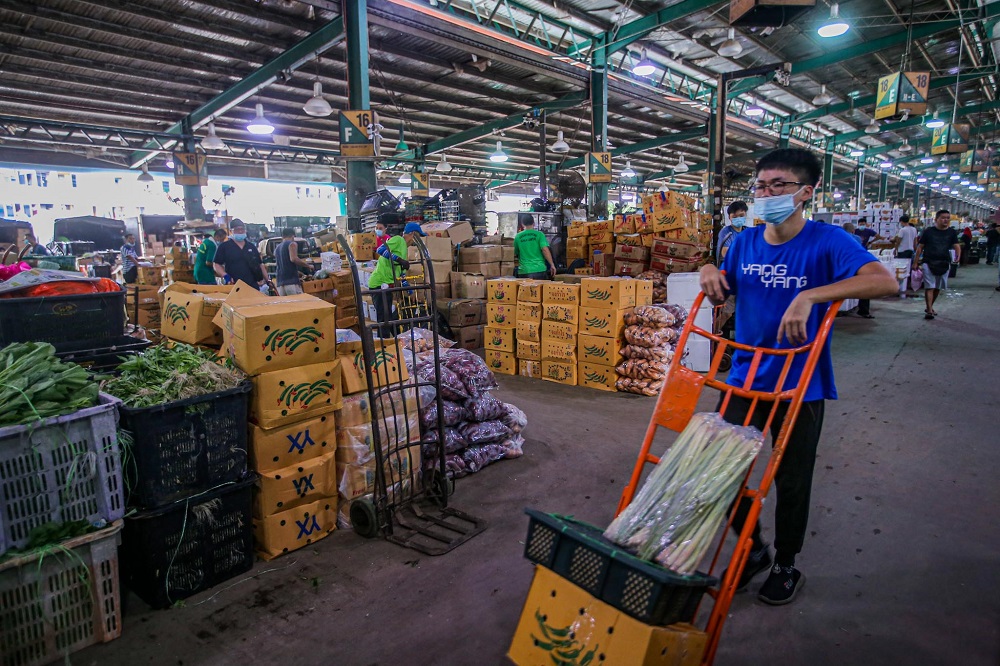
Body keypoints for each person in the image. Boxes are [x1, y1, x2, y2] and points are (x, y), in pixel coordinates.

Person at [699, 148, 897, 605]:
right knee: (718, 472)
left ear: (806, 193)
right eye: (760, 186)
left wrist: (812, 296)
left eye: (778, 186)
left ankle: (787, 562)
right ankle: (752, 548)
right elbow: (721, 291)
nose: (765, 194)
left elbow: (883, 280)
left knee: (792, 479)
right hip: (745, 379)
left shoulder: (828, 241)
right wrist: (709, 270)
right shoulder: (744, 243)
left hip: (801, 384)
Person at [368, 222, 424, 337]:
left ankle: (394, 342)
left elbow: (401, 276)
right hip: (379, 283)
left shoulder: (405, 250)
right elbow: (380, 250)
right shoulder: (399, 240)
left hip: (387, 285)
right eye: (419, 236)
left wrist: (410, 292)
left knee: (388, 317)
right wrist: (399, 260)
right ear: (413, 234)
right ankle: (383, 347)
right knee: (384, 319)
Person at [914, 210, 961, 320]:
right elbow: (920, 247)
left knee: (938, 287)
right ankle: (929, 310)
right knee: (929, 286)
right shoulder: (928, 232)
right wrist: (916, 262)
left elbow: (956, 245)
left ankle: (930, 306)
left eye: (948, 218)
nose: (946, 220)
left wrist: (958, 255)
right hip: (928, 261)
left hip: (944, 262)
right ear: (936, 219)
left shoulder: (952, 232)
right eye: (943, 218)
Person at [213, 220, 268, 288]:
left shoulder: (251, 246)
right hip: (234, 286)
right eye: (237, 229)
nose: (240, 231)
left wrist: (268, 280)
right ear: (231, 231)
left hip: (253, 286)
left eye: (242, 229)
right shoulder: (224, 247)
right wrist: (225, 276)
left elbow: (260, 264)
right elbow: (217, 264)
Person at [842, 223, 875, 319]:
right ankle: (864, 311)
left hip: (839, 267)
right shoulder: (857, 238)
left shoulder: (837, 236)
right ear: (853, 230)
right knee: (865, 287)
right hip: (854, 265)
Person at [274, 228, 313, 296]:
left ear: (283, 236)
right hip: (291, 282)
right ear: (293, 236)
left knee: (287, 306)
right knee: (299, 305)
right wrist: (308, 266)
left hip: (280, 284)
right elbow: (294, 259)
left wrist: (299, 273)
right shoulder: (292, 244)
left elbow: (284, 266)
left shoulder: (277, 248)